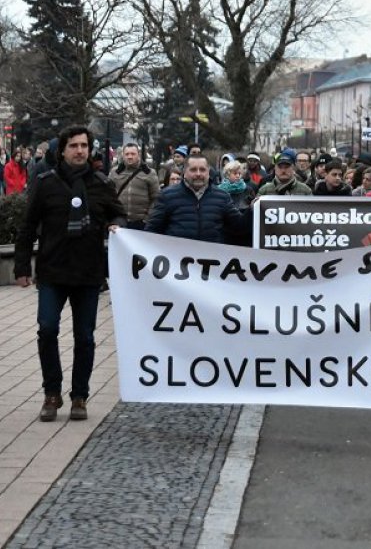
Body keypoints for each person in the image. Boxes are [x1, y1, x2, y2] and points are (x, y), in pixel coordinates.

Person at [14, 125, 127, 421]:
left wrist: (117, 224)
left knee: (85, 337)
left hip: (88, 273)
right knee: (47, 329)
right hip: (52, 270)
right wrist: (22, 267)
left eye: (84, 146)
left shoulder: (101, 183)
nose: (80, 151)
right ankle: (52, 393)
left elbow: (118, 212)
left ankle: (79, 396)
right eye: (74, 146)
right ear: (62, 150)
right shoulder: (45, 183)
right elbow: (27, 226)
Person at [145, 154, 247, 243]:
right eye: (193, 170)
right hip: (176, 261)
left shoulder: (222, 197)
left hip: (211, 261)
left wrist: (254, 209)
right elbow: (151, 231)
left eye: (202, 170)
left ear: (208, 171)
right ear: (184, 172)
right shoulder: (167, 196)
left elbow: (239, 226)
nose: (198, 174)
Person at [110, 143, 160, 230]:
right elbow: (108, 196)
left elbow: (156, 198)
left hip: (141, 223)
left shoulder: (149, 173)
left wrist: (147, 219)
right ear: (123, 155)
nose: (130, 157)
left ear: (139, 155)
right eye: (127, 154)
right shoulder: (115, 172)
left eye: (133, 154)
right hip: (120, 222)